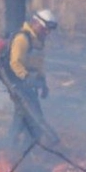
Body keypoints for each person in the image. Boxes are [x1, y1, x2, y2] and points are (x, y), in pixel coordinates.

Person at [8, 9, 57, 143]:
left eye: (49, 30)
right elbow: (15, 63)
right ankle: (13, 150)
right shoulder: (22, 39)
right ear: (35, 23)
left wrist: (43, 83)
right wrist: (26, 77)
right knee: (35, 119)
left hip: (30, 86)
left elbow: (38, 65)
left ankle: (14, 149)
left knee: (23, 118)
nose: (47, 33)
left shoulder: (38, 42)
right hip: (19, 85)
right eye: (44, 29)